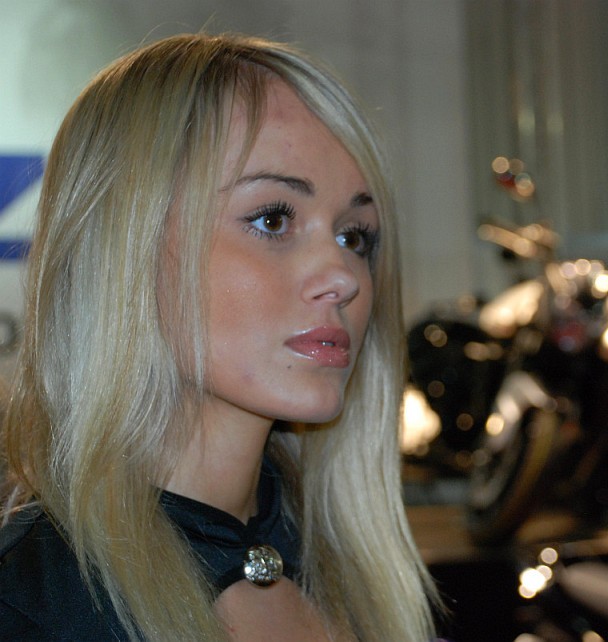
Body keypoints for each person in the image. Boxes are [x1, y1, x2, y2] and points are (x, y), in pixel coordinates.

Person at [0, 33, 439, 641]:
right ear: (123, 246)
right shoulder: (32, 606)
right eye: (273, 219)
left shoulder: (347, 568)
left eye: (354, 235)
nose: (343, 276)